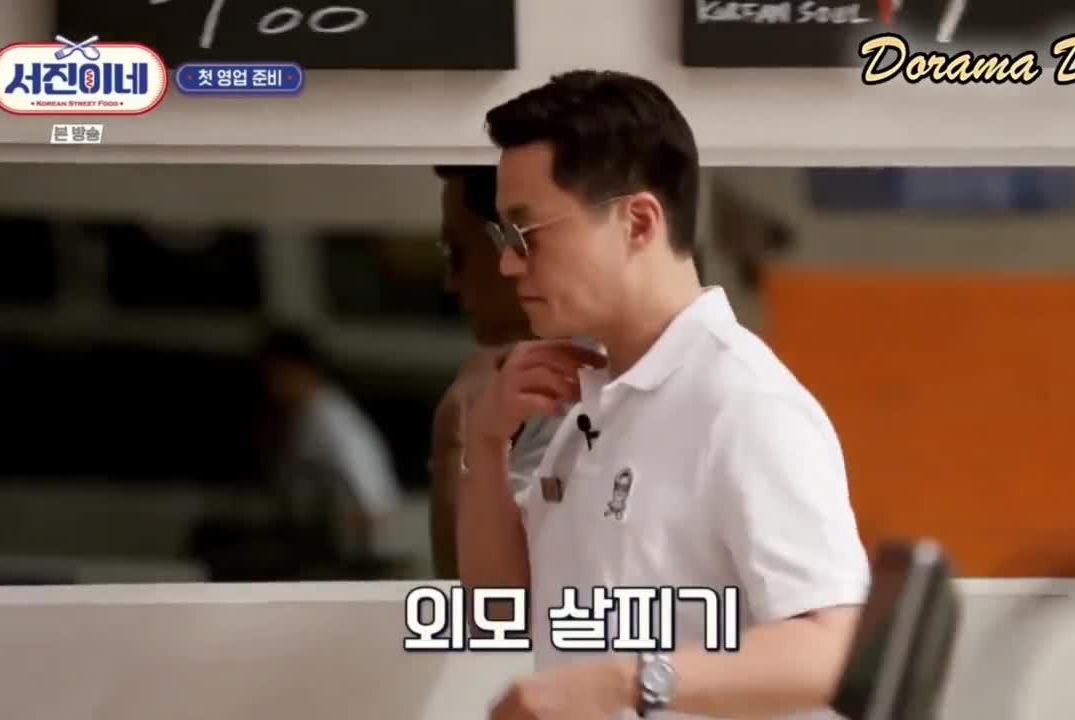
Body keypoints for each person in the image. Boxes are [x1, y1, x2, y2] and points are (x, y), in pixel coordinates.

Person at [456, 70, 871, 720]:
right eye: (504, 239)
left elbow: (834, 652)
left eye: (528, 234)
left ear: (638, 221)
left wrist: (623, 681)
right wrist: (484, 444)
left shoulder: (743, 404)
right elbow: (502, 609)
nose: (510, 264)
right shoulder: (591, 401)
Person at [428, 164, 560, 579]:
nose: (451, 282)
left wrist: (457, 433)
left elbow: (483, 598)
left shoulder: (585, 388)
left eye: (457, 252)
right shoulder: (552, 377)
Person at [192, 328, 404, 580]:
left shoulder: (334, 421)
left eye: (277, 373)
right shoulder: (298, 416)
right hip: (304, 541)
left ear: (303, 370)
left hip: (343, 554)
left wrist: (329, 526)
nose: (271, 385)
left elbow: (374, 506)